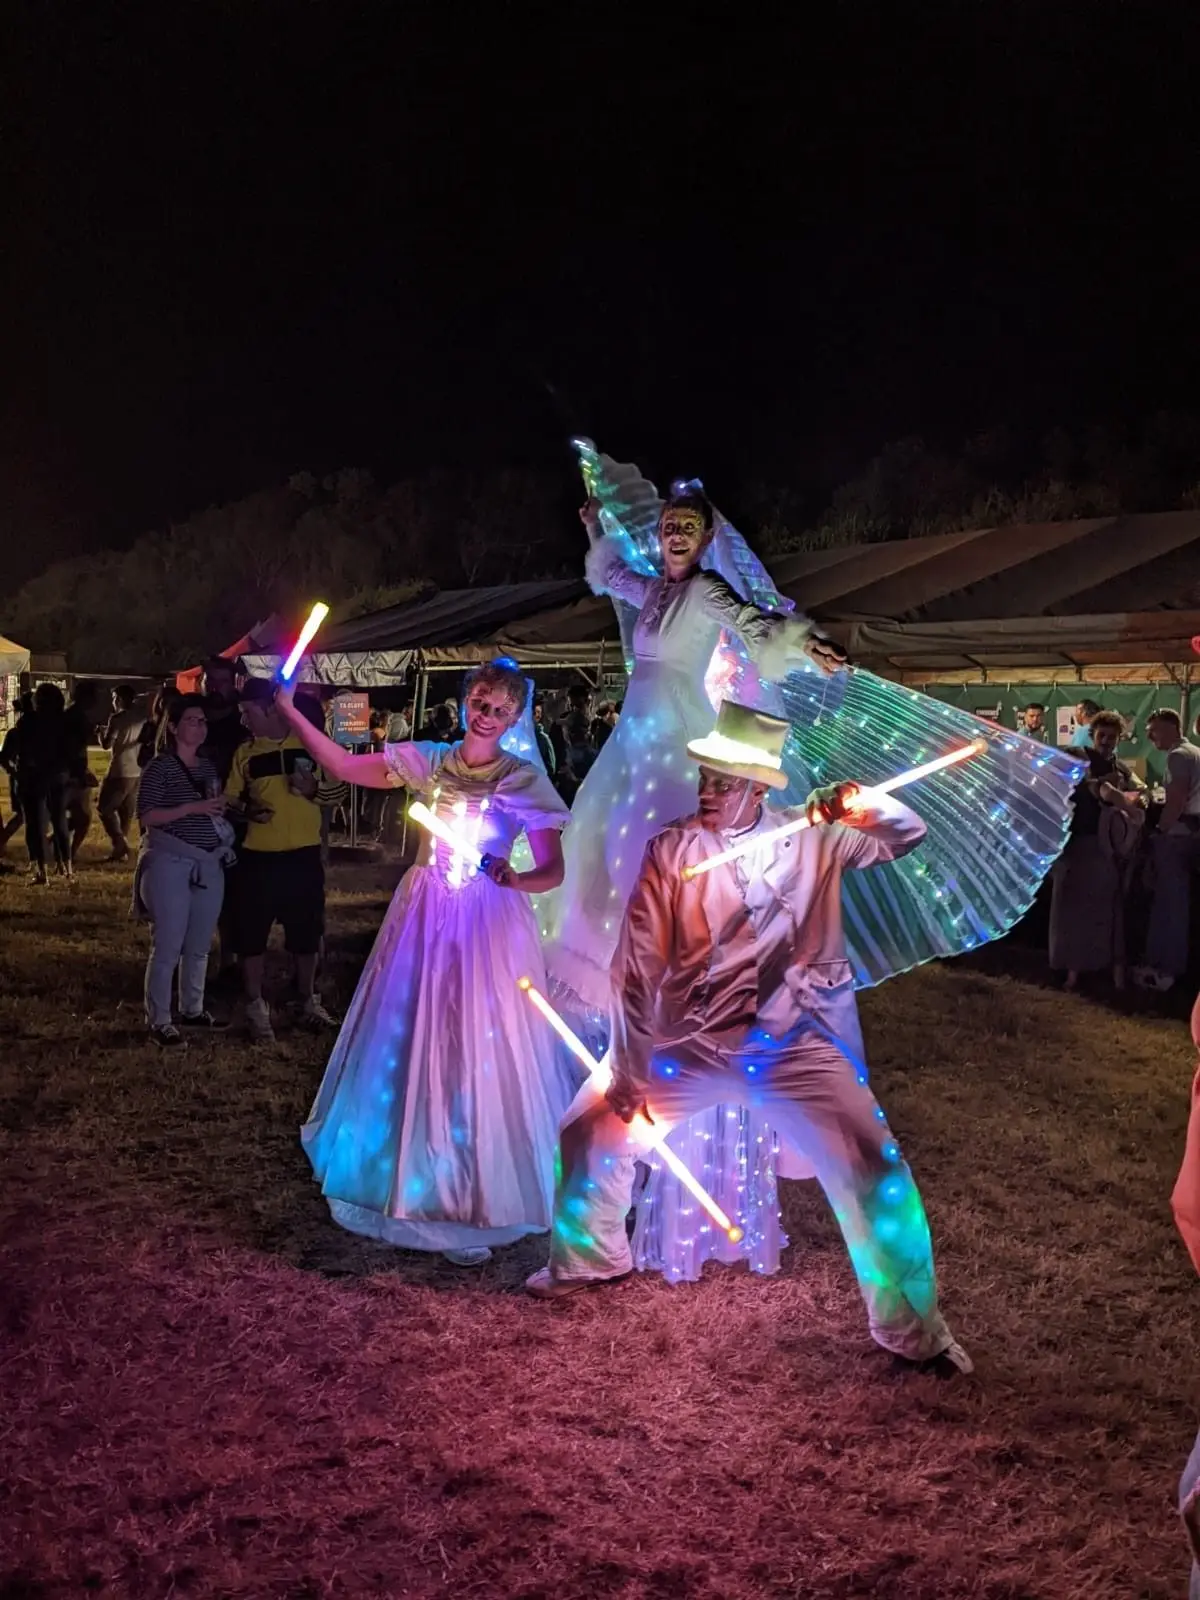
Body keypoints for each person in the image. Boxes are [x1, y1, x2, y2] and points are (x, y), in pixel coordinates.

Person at [526, 703, 971, 1371]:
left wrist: (857, 802)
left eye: (722, 781)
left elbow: (907, 832)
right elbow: (639, 964)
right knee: (587, 1129)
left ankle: (915, 1333)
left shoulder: (817, 833)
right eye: (705, 776)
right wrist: (629, 1065)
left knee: (874, 1168)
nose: (706, 791)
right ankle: (589, 1261)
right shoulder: (673, 848)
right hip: (690, 1043)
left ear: (759, 787)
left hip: (795, 1046)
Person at [273, 658, 576, 1267]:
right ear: (468, 700)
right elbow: (340, 765)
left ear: (515, 716)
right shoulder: (429, 760)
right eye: (480, 702)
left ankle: (475, 1186)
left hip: (489, 922)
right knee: (413, 1031)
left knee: (477, 1040)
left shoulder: (521, 780)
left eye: (499, 710)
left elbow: (553, 871)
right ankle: (412, 1166)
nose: (485, 715)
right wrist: (287, 708)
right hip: (426, 912)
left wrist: (514, 876)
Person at [539, 489, 842, 1010]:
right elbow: (612, 578)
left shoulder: (704, 589)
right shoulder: (655, 591)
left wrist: (804, 642)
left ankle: (676, 971)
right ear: (659, 536)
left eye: (687, 526)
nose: (675, 533)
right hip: (633, 739)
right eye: (669, 525)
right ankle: (616, 972)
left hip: (673, 735)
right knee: (600, 835)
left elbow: (750, 620)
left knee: (655, 844)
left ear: (705, 539)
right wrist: (593, 526)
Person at [225, 679, 337, 1042]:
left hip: (302, 856)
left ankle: (307, 1001)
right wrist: (246, 809)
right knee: (252, 935)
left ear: (271, 708)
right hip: (258, 858)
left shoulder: (309, 742)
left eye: (248, 713)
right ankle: (256, 1006)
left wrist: (314, 790)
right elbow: (230, 799)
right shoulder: (244, 752)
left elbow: (342, 787)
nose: (244, 721)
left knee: (306, 933)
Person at [133, 695, 236, 1047]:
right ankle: (159, 1018)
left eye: (203, 721)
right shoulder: (159, 767)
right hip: (170, 861)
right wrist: (192, 807)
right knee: (168, 944)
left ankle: (193, 1008)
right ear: (174, 727)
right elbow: (147, 815)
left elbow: (213, 807)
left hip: (208, 861)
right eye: (192, 720)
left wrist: (219, 809)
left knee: (199, 944)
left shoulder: (207, 768)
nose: (200, 726)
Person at [1049, 710, 1146, 990]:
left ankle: (1098, 970)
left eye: (1112, 737)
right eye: (1102, 735)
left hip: (1105, 848)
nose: (1106, 741)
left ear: (1119, 739)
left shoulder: (1120, 766)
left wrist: (1142, 798)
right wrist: (1123, 801)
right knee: (1070, 910)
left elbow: (1139, 789)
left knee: (1104, 910)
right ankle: (1071, 973)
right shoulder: (1076, 757)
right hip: (1076, 842)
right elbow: (1095, 789)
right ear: (1092, 736)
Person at [1134, 708, 1200, 993]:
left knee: (1169, 903)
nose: (1149, 736)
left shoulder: (1178, 756)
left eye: (1154, 729)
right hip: (1194, 833)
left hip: (1179, 835)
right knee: (1180, 902)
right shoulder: (1195, 752)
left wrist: (1159, 831)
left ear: (1172, 727)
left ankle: (1164, 970)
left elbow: (1176, 799)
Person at [11, 683, 74, 883]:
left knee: (36, 824)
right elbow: (69, 749)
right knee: (60, 821)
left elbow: (20, 750)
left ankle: (42, 872)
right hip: (58, 776)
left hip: (35, 777)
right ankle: (67, 868)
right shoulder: (63, 721)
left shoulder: (28, 722)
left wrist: (21, 770)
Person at [97, 684, 146, 861]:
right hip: (136, 770)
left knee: (104, 808)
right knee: (126, 812)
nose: (112, 701)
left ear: (120, 699)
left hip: (119, 769)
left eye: (114, 698)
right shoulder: (142, 718)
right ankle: (120, 851)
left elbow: (107, 744)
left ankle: (121, 844)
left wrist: (100, 734)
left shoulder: (116, 718)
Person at [63, 679, 104, 862]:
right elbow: (72, 749)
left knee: (78, 817)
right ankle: (65, 852)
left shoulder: (73, 715)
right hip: (71, 774)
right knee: (81, 818)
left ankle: (63, 850)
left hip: (72, 772)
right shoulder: (76, 717)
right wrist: (81, 773)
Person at [199, 658, 248, 785]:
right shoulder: (188, 721)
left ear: (232, 685)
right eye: (210, 680)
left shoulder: (245, 723)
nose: (215, 687)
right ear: (202, 683)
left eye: (223, 681)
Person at [532, 694, 556, 775]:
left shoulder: (542, 739)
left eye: (538, 713)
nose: (536, 715)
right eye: (534, 712)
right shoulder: (515, 738)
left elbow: (550, 769)